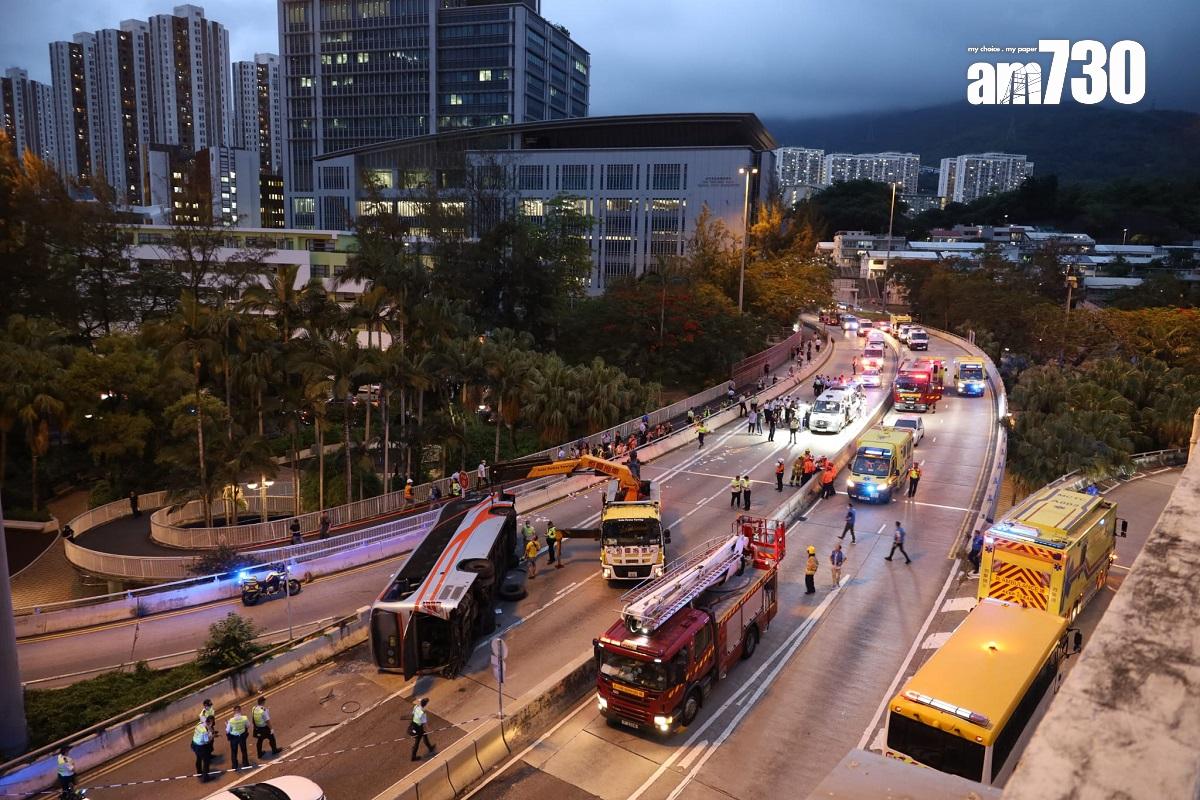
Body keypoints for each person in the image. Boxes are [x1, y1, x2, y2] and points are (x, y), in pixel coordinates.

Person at [226, 704, 251, 771]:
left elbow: (227, 730)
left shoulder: (231, 720)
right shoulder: (244, 718)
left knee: (234, 752)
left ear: (234, 711)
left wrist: (227, 725)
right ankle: (245, 763)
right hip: (242, 736)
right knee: (243, 750)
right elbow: (248, 726)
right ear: (240, 710)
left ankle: (234, 766)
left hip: (234, 737)